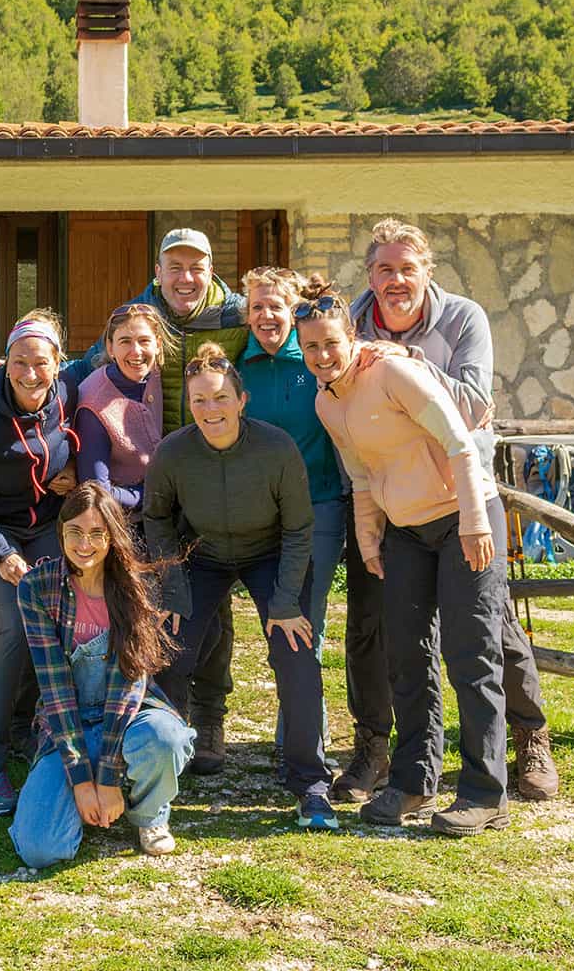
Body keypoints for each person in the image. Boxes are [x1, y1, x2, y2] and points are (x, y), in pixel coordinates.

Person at [348, 218, 559, 802]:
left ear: (426, 273)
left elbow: (473, 405)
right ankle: (383, 752)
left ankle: (529, 736)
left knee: (487, 631)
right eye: (385, 270)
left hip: (462, 496)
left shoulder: (464, 318)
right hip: (392, 503)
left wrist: (404, 362)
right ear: (370, 274)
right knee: (386, 631)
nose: (395, 281)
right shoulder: (350, 322)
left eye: (407, 269)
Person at [301, 274, 512, 837]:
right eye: (312, 347)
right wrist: (369, 541)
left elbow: (459, 442)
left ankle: (483, 791)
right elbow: (362, 477)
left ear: (352, 336)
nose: (323, 355)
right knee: (406, 655)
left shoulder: (394, 372)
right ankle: (416, 779)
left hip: (465, 519)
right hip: (405, 532)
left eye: (331, 342)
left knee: (472, 653)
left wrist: (471, 522)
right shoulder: (327, 403)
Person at [145, 344, 338, 830]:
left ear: (241, 399)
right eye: (200, 402)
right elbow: (157, 519)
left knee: (295, 653)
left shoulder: (276, 448)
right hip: (202, 556)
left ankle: (310, 782)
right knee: (169, 651)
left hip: (270, 554)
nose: (211, 410)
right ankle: (163, 769)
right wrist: (171, 590)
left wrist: (287, 599)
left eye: (220, 398)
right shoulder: (174, 452)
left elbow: (298, 528)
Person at [90, 227, 250, 774]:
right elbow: (88, 370)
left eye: (196, 267)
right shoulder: (137, 318)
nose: (185, 278)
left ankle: (211, 715)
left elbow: (284, 341)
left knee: (214, 602)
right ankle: (159, 711)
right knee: (158, 600)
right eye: (174, 267)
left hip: (213, 475)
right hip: (154, 480)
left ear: (210, 270)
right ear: (157, 272)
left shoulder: (237, 318)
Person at [0, 309, 88, 815]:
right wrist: (1, 553)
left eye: (41, 363)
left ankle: (28, 727)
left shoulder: (65, 394)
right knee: (14, 624)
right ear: (6, 364)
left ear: (57, 365)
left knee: (59, 614)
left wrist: (69, 467)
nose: (30, 373)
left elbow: (73, 433)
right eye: (19, 362)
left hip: (46, 524)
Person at [10, 482, 196, 867]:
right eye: (74, 532)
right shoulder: (36, 588)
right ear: (59, 533)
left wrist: (107, 777)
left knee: (165, 739)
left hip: (130, 717)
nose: (85, 544)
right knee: (40, 850)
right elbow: (55, 687)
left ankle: (148, 813)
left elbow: (128, 684)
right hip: (69, 721)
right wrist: (80, 780)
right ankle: (92, 798)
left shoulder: (136, 585)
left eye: (97, 533)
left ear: (113, 536)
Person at [234, 266, 352, 779]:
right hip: (260, 516)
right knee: (274, 622)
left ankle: (302, 741)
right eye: (256, 307)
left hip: (319, 509)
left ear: (294, 309)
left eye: (275, 306)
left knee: (307, 621)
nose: (266, 316)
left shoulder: (317, 362)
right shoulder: (238, 369)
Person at [73, 303, 178, 515]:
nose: (136, 351)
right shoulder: (94, 404)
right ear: (110, 348)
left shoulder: (152, 373)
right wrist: (151, 494)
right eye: (125, 342)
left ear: (158, 344)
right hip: (122, 518)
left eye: (144, 341)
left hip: (161, 507)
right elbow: (96, 489)